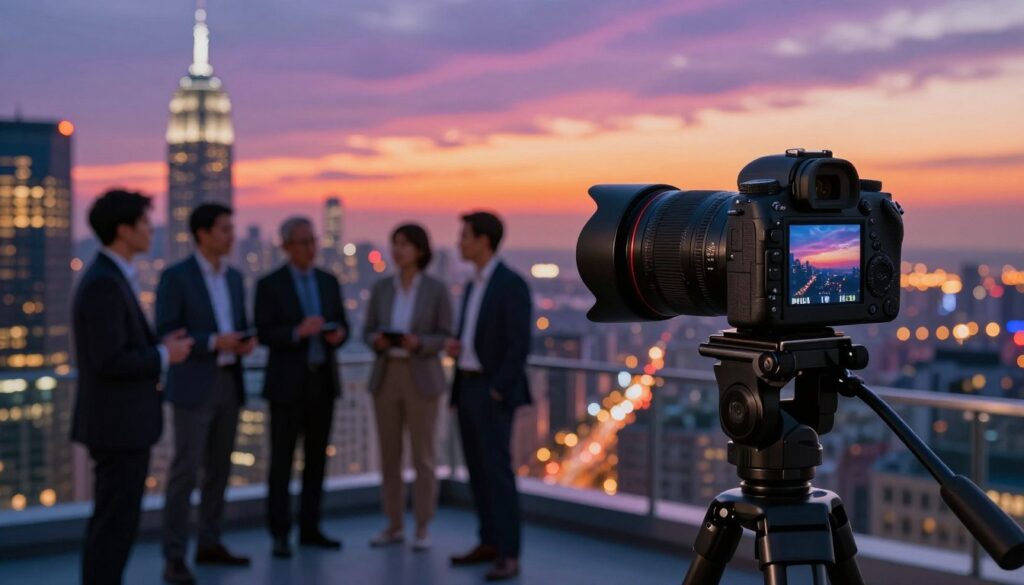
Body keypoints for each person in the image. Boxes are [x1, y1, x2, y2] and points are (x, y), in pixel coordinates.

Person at [72, 189, 194, 585]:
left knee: (117, 523)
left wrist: (159, 347)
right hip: (117, 426)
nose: (149, 230)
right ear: (123, 230)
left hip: (121, 424)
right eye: (143, 223)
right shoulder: (104, 283)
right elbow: (108, 360)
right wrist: (163, 355)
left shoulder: (112, 277)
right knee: (114, 525)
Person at [156, 204, 255, 584]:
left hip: (230, 382)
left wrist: (242, 341)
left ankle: (210, 542)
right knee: (186, 472)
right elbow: (166, 330)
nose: (232, 236)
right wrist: (215, 341)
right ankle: (174, 556)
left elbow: (239, 325)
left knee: (219, 470)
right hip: (194, 385)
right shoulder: (176, 277)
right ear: (202, 234)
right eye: (224, 229)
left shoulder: (233, 278)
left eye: (232, 228)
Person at [255, 216, 349, 558]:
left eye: (313, 241)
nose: (310, 248)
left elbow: (343, 324)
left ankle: (311, 527)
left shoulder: (328, 281)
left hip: (322, 382)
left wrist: (338, 336)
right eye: (303, 242)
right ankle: (280, 533)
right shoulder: (270, 284)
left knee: (316, 462)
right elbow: (264, 332)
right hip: (286, 386)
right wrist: (298, 332)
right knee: (281, 462)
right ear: (286, 246)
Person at [447, 211, 532, 581]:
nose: (458, 243)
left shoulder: (510, 284)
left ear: (483, 240)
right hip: (466, 386)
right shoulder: (471, 284)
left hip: (490, 391)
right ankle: (489, 542)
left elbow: (518, 346)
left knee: (497, 474)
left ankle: (509, 553)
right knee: (477, 472)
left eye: (464, 236)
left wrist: (497, 388)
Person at [363, 224, 453, 551]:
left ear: (419, 250)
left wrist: (420, 343)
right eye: (394, 243)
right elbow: (367, 330)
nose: (397, 250)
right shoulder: (381, 289)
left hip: (422, 376)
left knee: (423, 457)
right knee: (389, 457)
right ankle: (394, 524)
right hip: (387, 374)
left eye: (403, 244)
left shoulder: (436, 289)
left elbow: (445, 335)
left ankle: (423, 526)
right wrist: (377, 339)